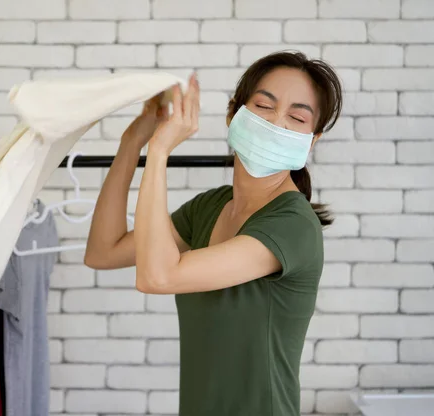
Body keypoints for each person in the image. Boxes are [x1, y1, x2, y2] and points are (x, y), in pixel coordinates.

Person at [85, 51, 342, 416]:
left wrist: (159, 151)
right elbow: (103, 252)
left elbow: (157, 277)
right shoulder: (210, 206)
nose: (277, 123)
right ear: (232, 114)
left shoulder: (292, 225)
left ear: (311, 141)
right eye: (264, 106)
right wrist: (134, 141)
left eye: (297, 117)